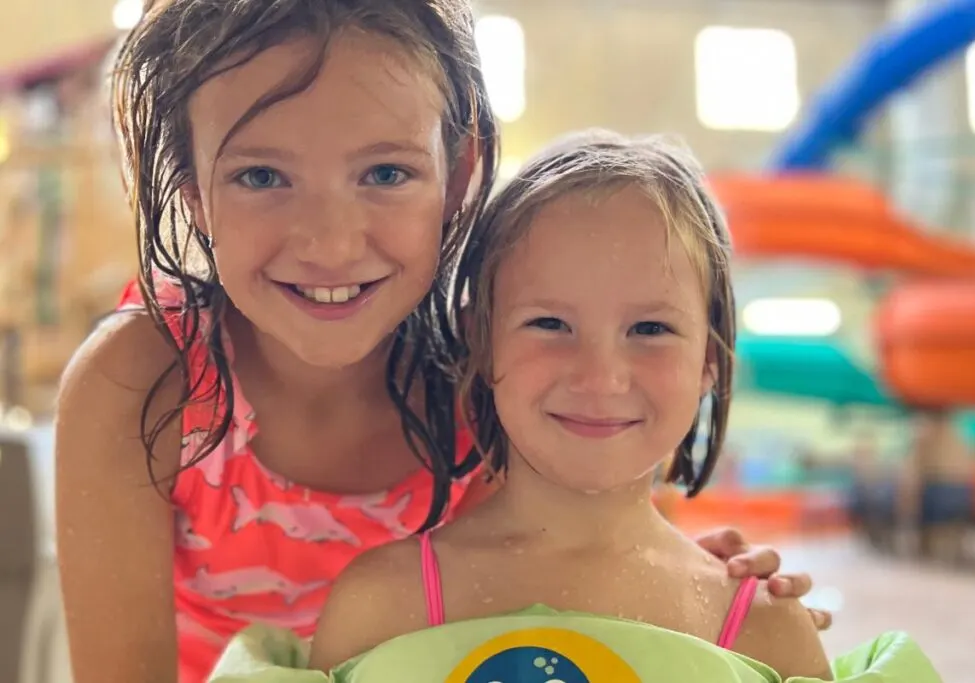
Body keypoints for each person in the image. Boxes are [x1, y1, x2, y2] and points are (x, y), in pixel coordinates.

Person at [55, 4, 829, 683]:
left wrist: (702, 596)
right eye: (261, 176)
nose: (330, 241)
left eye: (386, 172)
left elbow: (572, 565)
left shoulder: (493, 374)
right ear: (192, 192)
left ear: (458, 176)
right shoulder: (144, 383)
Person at [305, 131, 834, 681]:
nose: (600, 376)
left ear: (711, 361)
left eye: (651, 328)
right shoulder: (385, 605)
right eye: (550, 324)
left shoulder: (762, 630)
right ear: (480, 342)